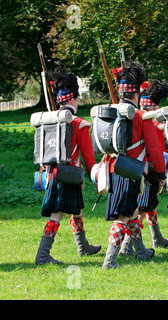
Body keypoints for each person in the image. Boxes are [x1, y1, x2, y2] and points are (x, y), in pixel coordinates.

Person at [102, 61, 167, 269]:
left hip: (112, 169)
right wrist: (161, 174)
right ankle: (109, 260)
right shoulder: (141, 117)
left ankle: (141, 252)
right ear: (136, 95)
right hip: (132, 171)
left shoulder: (109, 112)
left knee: (131, 213)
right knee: (123, 217)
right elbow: (155, 150)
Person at [35, 65, 101, 265]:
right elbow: (88, 158)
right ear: (73, 98)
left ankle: (83, 246)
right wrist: (97, 177)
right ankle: (43, 255)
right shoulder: (80, 124)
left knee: (76, 211)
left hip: (53, 172)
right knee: (56, 215)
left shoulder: (49, 121)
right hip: (69, 174)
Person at [119, 79, 168, 256]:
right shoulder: (150, 122)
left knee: (149, 206)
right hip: (146, 171)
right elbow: (157, 150)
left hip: (137, 168)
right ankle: (127, 245)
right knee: (141, 210)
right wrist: (161, 174)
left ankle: (157, 237)